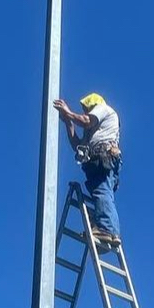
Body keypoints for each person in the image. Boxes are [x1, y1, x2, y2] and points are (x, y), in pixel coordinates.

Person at [54, 92, 121, 248]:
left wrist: (68, 112)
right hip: (96, 160)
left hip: (104, 156)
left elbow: (85, 121)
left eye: (86, 109)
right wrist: (68, 122)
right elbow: (77, 146)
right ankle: (106, 230)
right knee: (101, 193)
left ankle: (106, 229)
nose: (85, 112)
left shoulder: (103, 109)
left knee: (102, 192)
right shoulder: (91, 131)